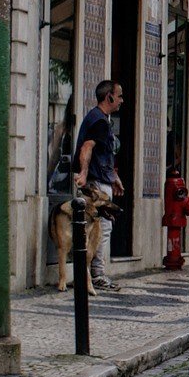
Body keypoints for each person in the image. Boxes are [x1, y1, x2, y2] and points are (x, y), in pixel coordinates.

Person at [73, 80, 125, 292]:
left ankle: (92, 273)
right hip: (97, 185)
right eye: (119, 95)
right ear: (109, 97)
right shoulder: (100, 121)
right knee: (101, 229)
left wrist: (115, 178)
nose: (122, 100)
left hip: (102, 180)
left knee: (100, 228)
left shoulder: (100, 119)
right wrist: (84, 173)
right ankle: (98, 275)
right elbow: (88, 147)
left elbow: (104, 155)